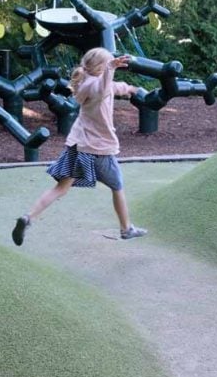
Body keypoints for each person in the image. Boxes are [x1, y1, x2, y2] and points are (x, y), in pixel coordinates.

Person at [13, 47, 147, 245]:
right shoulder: (95, 86)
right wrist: (111, 68)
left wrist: (131, 89)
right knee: (117, 186)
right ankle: (126, 229)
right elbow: (102, 88)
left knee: (60, 188)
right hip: (97, 149)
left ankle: (28, 217)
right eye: (108, 64)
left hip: (77, 146)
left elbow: (113, 87)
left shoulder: (88, 82)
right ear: (101, 67)